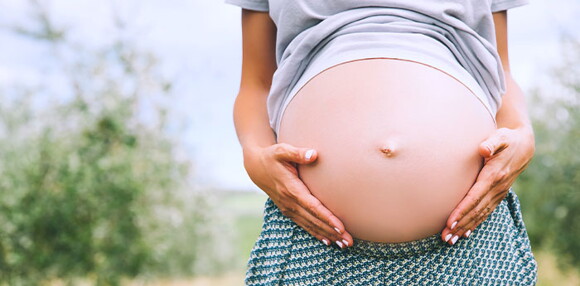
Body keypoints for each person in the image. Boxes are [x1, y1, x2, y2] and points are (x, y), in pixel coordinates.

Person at [226, 0, 538, 284]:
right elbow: (256, 84)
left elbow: (501, 70)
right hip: (312, 240)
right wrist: (254, 156)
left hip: (470, 240)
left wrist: (522, 133)